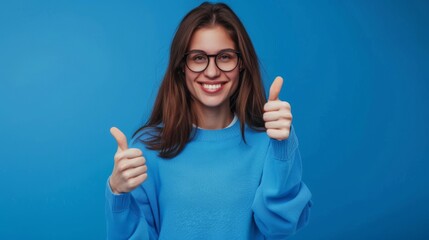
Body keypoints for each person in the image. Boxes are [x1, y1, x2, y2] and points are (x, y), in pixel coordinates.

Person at [105, 2, 312, 239]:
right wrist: (118, 193)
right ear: (182, 66)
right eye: (198, 58)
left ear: (242, 63)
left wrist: (282, 149)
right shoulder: (147, 148)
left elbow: (279, 229)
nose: (212, 72)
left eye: (224, 57)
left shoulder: (269, 142)